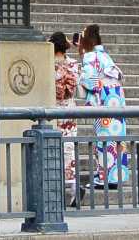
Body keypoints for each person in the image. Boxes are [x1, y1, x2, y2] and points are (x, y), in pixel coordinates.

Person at [78, 23, 128, 188]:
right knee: (116, 139)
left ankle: (104, 178)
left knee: (104, 138)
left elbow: (90, 82)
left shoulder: (90, 56)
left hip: (104, 100)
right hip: (116, 99)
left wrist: (81, 76)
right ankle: (115, 176)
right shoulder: (105, 55)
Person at [50, 32, 80, 205]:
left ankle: (56, 191)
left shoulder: (47, 64)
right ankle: (72, 192)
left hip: (52, 109)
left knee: (51, 150)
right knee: (68, 150)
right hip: (69, 110)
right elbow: (73, 86)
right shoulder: (73, 64)